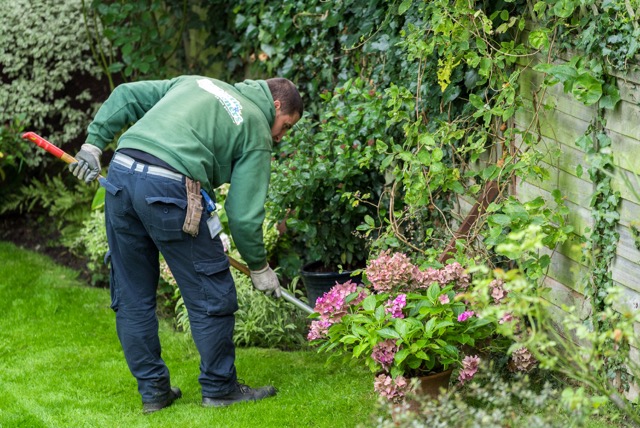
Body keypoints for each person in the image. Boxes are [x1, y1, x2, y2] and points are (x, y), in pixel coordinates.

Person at [69, 76, 303, 413]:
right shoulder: (254, 123)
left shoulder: (197, 82)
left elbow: (126, 94)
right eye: (285, 126)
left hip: (120, 176)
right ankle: (220, 388)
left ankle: (154, 393)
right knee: (212, 292)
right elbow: (243, 214)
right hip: (169, 187)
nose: (280, 137)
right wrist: (259, 267)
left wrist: (93, 145)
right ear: (277, 105)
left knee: (133, 295)